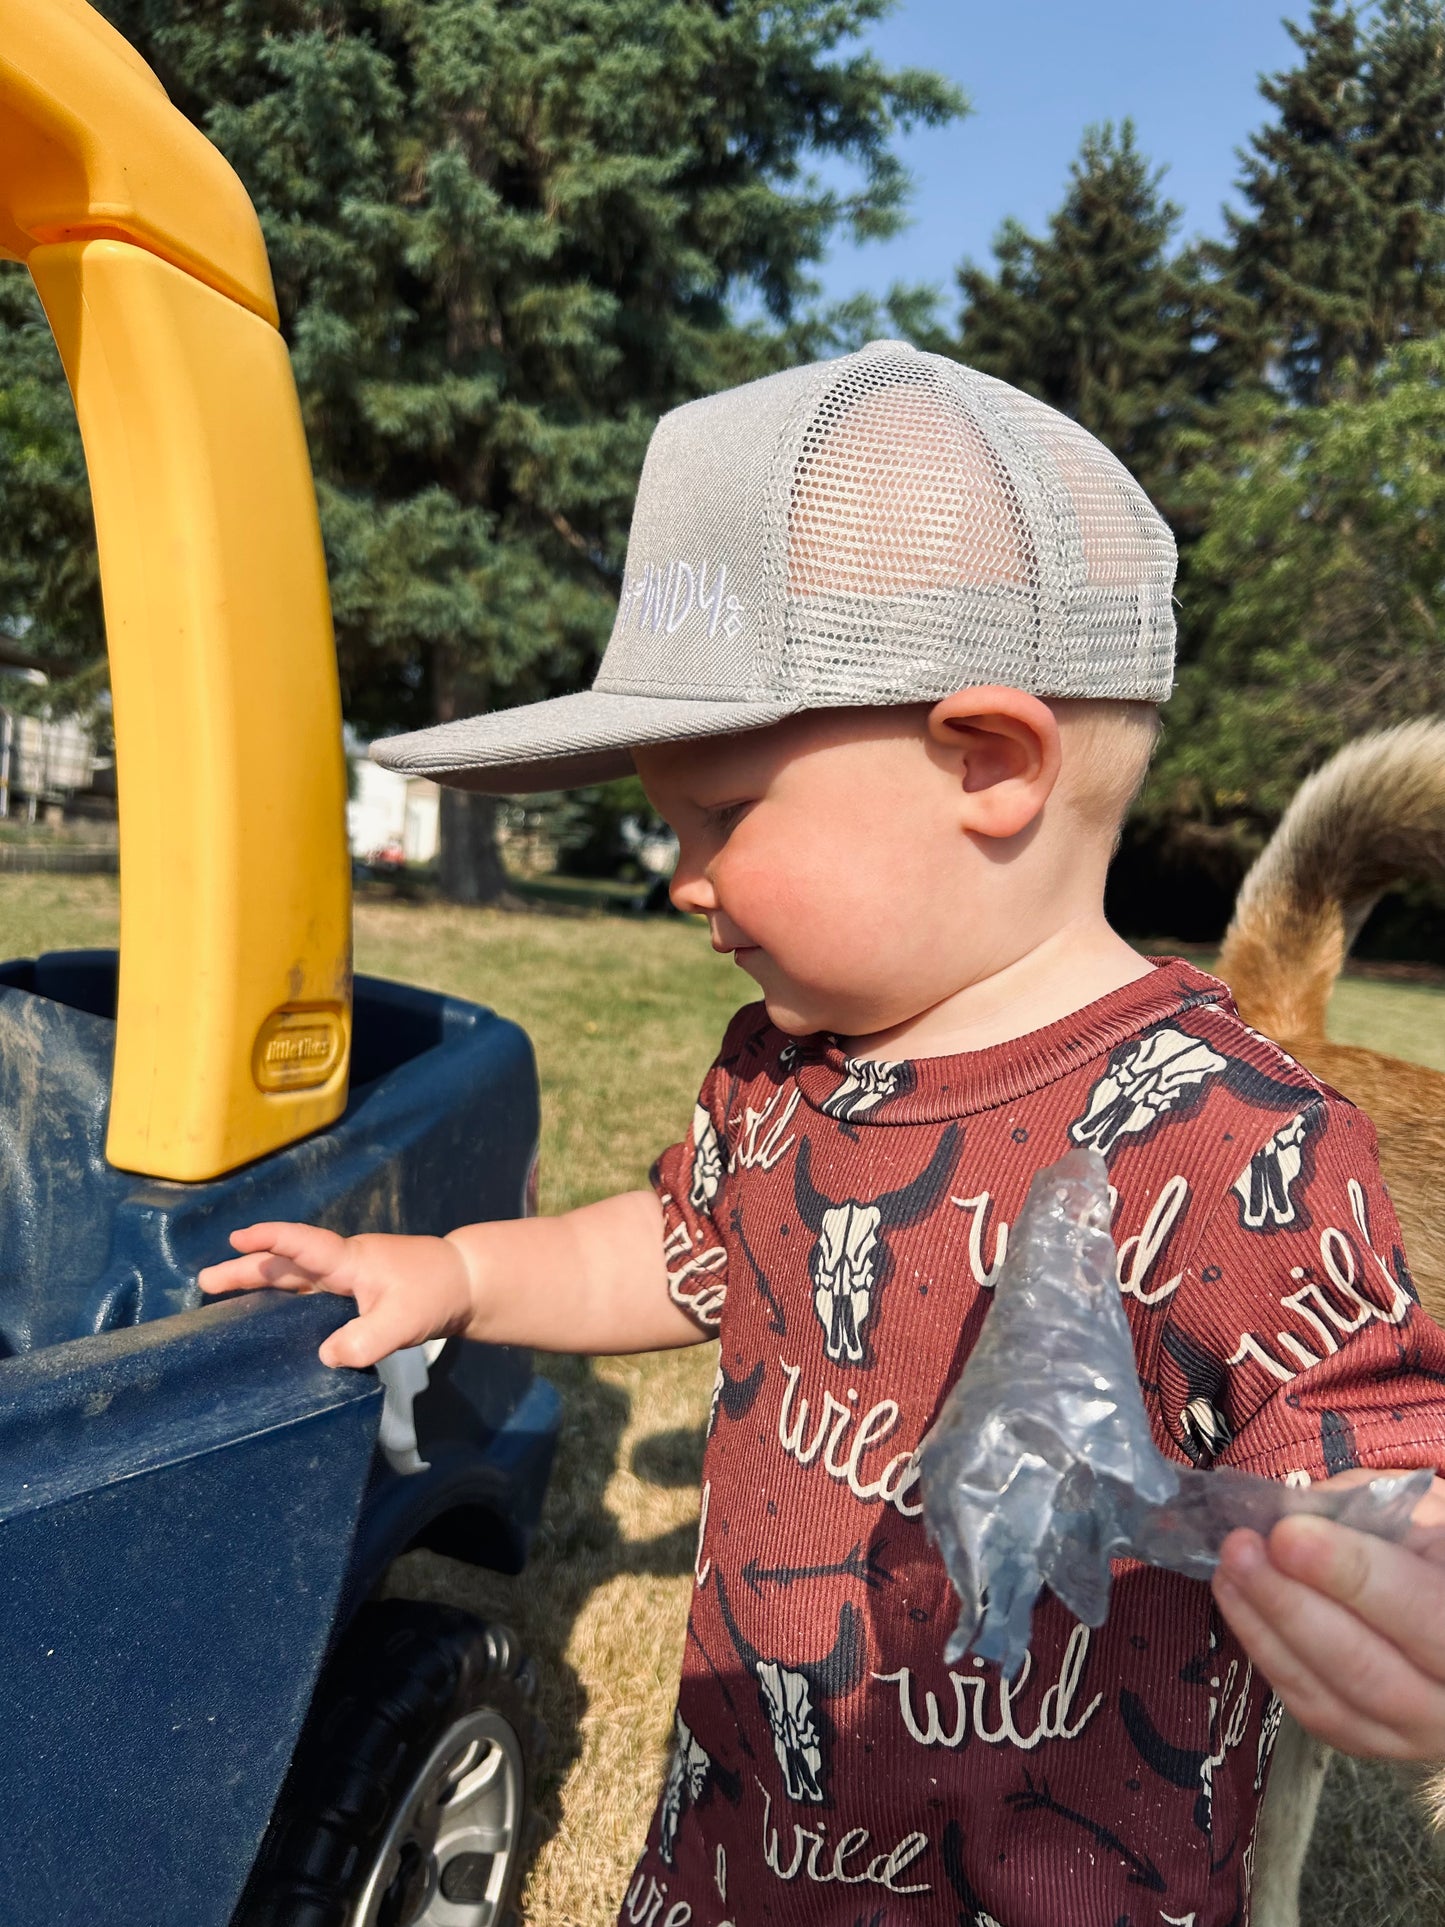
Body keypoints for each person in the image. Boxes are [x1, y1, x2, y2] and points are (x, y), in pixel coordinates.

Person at [200, 342, 1445, 1925]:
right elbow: (685, 1245)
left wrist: (1407, 1580)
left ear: (986, 767)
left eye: (719, 818)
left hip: (1061, 1880)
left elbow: (1368, 1441)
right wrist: (451, 1271)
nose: (679, 874)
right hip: (750, 1846)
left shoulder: (1229, 1131)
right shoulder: (784, 1071)